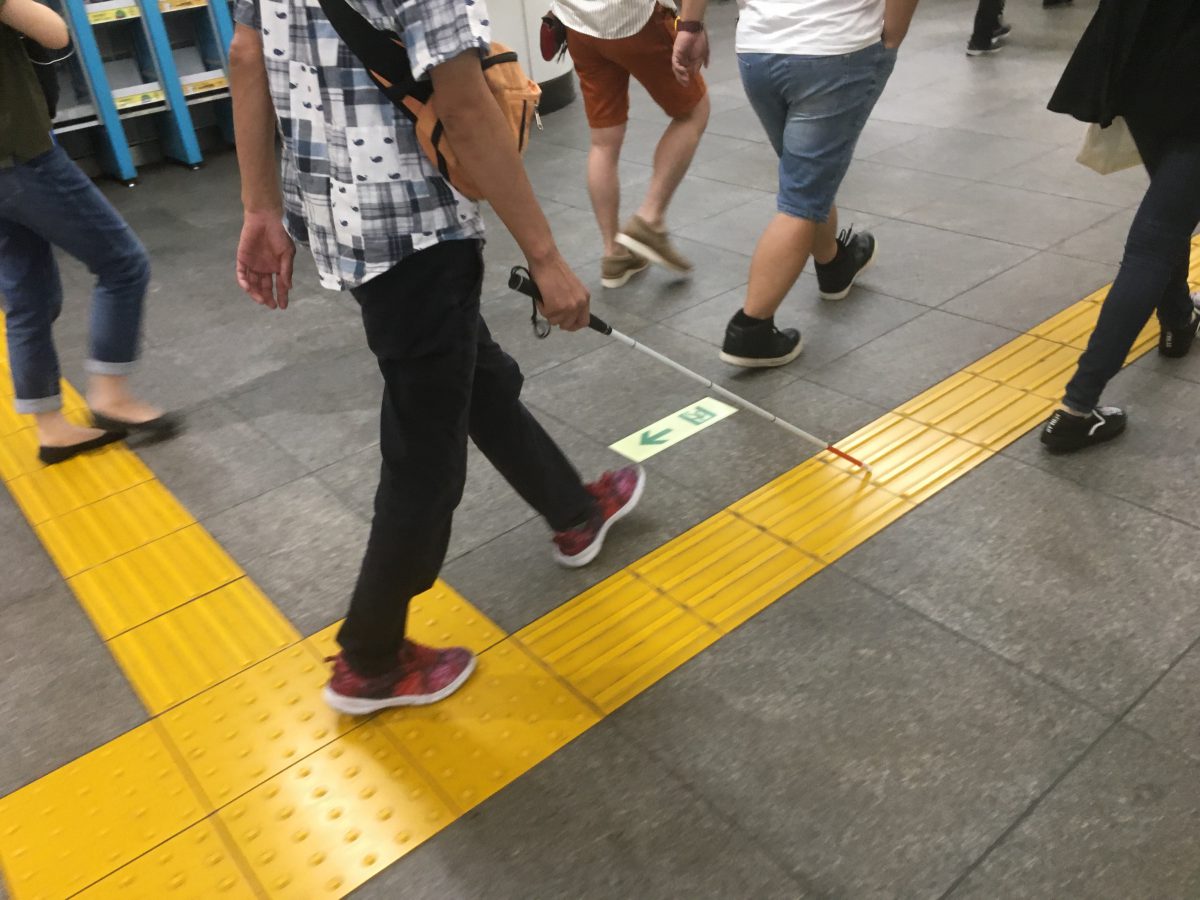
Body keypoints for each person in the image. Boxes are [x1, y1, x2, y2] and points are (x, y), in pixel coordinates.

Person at [228, 0, 645, 715]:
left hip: (338, 212)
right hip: (414, 223)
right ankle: (370, 658)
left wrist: (261, 208)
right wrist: (546, 261)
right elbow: (467, 108)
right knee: (424, 449)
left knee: (467, 371)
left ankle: (573, 510)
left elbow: (246, 58)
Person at [674, 0, 919, 368]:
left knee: (805, 173)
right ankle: (750, 329)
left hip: (759, 49)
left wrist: (689, 25)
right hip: (838, 47)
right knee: (802, 198)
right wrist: (892, 38)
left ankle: (834, 264)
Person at [0, 0, 175, 464]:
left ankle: (51, 427)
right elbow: (54, 33)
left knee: (26, 298)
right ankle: (110, 396)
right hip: (21, 157)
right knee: (122, 263)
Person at [1040, 0, 1200, 452]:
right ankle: (1077, 409)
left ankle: (1177, 320)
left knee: (1167, 219)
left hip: (1145, 79)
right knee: (1155, 240)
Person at [552, 0, 710, 289]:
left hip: (579, 24)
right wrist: (690, 24)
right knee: (693, 113)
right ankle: (650, 218)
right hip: (635, 18)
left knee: (603, 142)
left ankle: (614, 255)